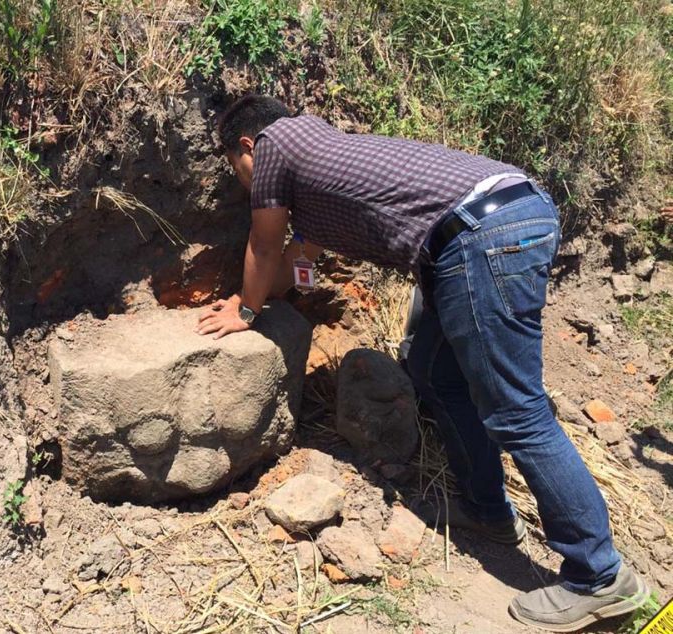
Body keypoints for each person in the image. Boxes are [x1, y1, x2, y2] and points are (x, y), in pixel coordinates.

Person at [195, 95, 649, 632]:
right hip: (490, 226)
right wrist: (262, 298)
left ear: (246, 146)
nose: (244, 181)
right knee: (434, 375)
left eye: (235, 170)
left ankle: (599, 577)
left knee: (517, 413)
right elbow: (297, 262)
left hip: (483, 240)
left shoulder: (276, 143)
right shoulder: (322, 162)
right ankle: (488, 511)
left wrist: (243, 310)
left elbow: (264, 244)